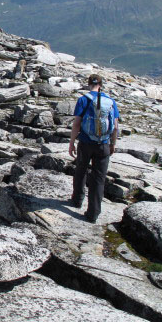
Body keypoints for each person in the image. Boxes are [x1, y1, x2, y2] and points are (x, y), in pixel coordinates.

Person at [68, 74, 119, 223]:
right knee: (99, 179)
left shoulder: (83, 99)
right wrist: (113, 144)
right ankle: (93, 213)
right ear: (101, 85)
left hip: (85, 142)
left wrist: (72, 141)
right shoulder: (111, 102)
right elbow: (115, 126)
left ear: (89, 84)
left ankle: (77, 200)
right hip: (103, 144)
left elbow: (77, 123)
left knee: (81, 170)